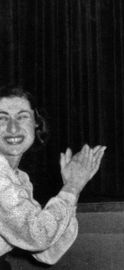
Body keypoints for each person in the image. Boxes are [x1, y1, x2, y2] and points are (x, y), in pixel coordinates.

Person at [0, 85, 106, 268]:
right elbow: (38, 237)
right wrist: (71, 187)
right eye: (1, 118)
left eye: (22, 116)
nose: (13, 127)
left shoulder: (19, 178)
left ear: (36, 123)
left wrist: (73, 189)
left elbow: (47, 253)